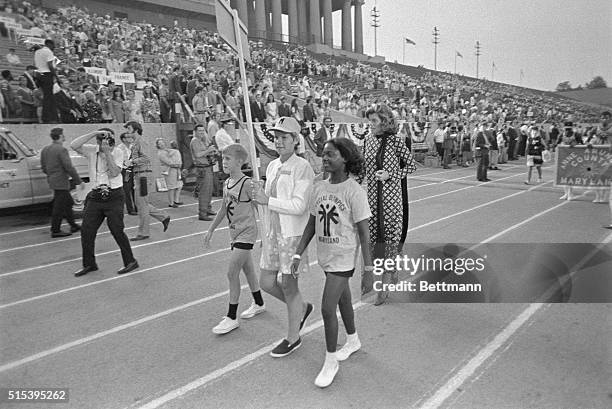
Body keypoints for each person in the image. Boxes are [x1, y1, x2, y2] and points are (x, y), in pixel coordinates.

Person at [291, 137, 373, 388]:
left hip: (344, 257)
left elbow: (363, 233)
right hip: (326, 256)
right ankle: (353, 340)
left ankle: (330, 361)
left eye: (331, 155)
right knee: (343, 299)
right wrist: (298, 252)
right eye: (323, 154)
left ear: (345, 158)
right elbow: (312, 223)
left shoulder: (354, 191)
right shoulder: (320, 188)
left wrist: (368, 269)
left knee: (328, 308)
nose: (325, 158)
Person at [253, 116, 315, 357]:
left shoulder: (303, 167)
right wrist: (260, 195)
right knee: (266, 282)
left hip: (292, 236)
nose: (279, 142)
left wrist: (268, 199)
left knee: (289, 286)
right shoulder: (272, 165)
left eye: (284, 137)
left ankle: (293, 337)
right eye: (276, 137)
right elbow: (267, 202)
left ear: (295, 140)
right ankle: (301, 307)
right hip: (273, 233)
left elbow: (299, 205)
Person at [204, 144, 266, 334]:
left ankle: (231, 317)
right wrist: (210, 230)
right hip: (234, 233)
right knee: (248, 271)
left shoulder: (247, 184)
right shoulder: (226, 183)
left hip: (247, 233)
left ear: (239, 161)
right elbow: (224, 208)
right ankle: (259, 302)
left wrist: (265, 234)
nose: (224, 162)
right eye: (223, 159)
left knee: (232, 273)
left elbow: (259, 207)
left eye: (227, 159)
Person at [362, 104, 416, 305]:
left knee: (389, 240)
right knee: (374, 241)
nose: (370, 125)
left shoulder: (396, 142)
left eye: (374, 121)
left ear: (384, 122)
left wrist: (390, 175)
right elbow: (363, 169)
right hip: (372, 199)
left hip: (392, 200)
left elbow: (411, 166)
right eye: (369, 121)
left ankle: (384, 288)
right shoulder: (367, 141)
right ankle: (391, 270)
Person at [70, 128, 139, 277]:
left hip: (114, 195)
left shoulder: (118, 152)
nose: (108, 142)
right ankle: (89, 264)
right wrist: (94, 133)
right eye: (104, 139)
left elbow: (114, 173)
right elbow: (73, 145)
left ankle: (130, 261)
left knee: (116, 230)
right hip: (95, 196)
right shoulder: (92, 150)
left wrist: (107, 152)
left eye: (110, 139)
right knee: (86, 230)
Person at [125, 121, 171, 240]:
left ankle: (143, 232)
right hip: (139, 175)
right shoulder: (136, 143)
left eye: (129, 128)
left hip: (143, 176)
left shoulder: (141, 142)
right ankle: (163, 216)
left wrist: (132, 162)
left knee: (142, 206)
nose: (127, 131)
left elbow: (146, 158)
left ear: (135, 129)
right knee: (141, 203)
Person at [40, 128, 83, 237]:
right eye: (63, 135)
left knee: (68, 202)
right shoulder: (61, 150)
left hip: (52, 179)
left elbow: (43, 167)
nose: (64, 137)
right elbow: (69, 167)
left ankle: (73, 224)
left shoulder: (45, 149)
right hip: (61, 180)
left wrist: (51, 174)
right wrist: (78, 181)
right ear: (59, 136)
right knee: (59, 207)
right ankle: (55, 230)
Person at [190, 123, 218, 220]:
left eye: (203, 130)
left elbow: (205, 152)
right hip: (202, 168)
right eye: (199, 131)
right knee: (204, 191)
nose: (202, 132)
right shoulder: (195, 141)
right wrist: (208, 150)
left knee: (209, 190)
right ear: (195, 132)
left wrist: (211, 151)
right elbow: (198, 155)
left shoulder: (201, 140)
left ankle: (208, 209)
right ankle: (202, 214)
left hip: (207, 167)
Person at [34, 39, 59, 123]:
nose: (54, 47)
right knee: (48, 97)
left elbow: (35, 64)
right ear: (49, 44)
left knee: (48, 97)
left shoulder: (37, 52)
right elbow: (50, 66)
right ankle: (47, 118)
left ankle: (53, 117)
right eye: (53, 45)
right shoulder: (48, 52)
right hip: (47, 75)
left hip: (39, 75)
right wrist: (56, 76)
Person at [156, 138, 183, 207]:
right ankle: (171, 203)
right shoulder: (161, 153)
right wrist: (177, 164)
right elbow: (169, 162)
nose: (162, 144)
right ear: (158, 145)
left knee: (179, 185)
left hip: (175, 170)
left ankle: (176, 200)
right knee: (171, 187)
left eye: (162, 142)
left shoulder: (167, 150)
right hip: (169, 171)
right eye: (160, 143)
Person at [117, 132, 137, 215]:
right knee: (127, 189)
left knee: (134, 188)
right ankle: (130, 209)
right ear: (123, 139)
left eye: (131, 137)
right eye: (128, 137)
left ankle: (136, 207)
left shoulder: (133, 147)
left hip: (133, 169)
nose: (131, 138)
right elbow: (124, 162)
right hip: (126, 171)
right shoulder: (120, 148)